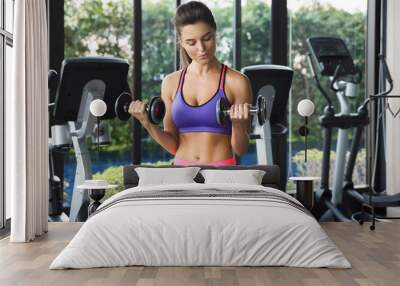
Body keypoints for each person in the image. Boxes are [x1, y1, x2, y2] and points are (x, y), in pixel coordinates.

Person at [129, 1, 252, 166]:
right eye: (191, 42)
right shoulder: (171, 83)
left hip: (222, 172)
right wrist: (147, 123)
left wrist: (238, 125)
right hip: (181, 172)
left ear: (215, 33)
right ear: (181, 42)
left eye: (207, 38)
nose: (201, 48)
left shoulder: (237, 82)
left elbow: (241, 149)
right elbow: (173, 144)